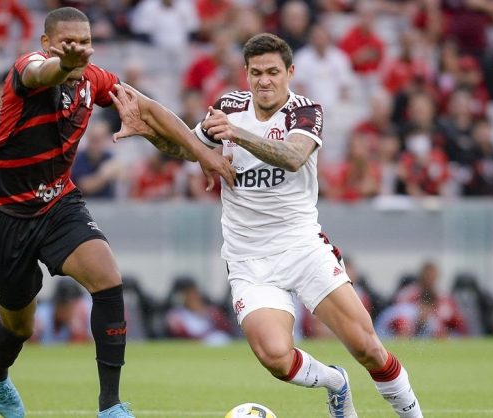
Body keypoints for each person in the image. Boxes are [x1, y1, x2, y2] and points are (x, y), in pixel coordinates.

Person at [112, 33, 423, 418]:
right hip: (249, 258)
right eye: (256, 72)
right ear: (246, 74)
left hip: (302, 247)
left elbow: (293, 157)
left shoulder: (305, 111)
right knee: (276, 358)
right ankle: (335, 383)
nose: (264, 80)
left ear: (290, 72)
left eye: (273, 72)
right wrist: (151, 134)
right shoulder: (229, 107)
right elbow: (185, 149)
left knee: (368, 348)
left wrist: (237, 134)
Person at [0, 7, 236, 418]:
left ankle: (110, 406)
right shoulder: (28, 70)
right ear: (47, 44)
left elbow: (149, 108)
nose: (80, 51)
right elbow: (44, 73)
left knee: (107, 277)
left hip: (57, 202)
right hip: (2, 213)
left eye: (86, 44)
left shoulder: (94, 79)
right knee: (20, 326)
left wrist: (204, 155)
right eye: (68, 43)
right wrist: (65, 62)